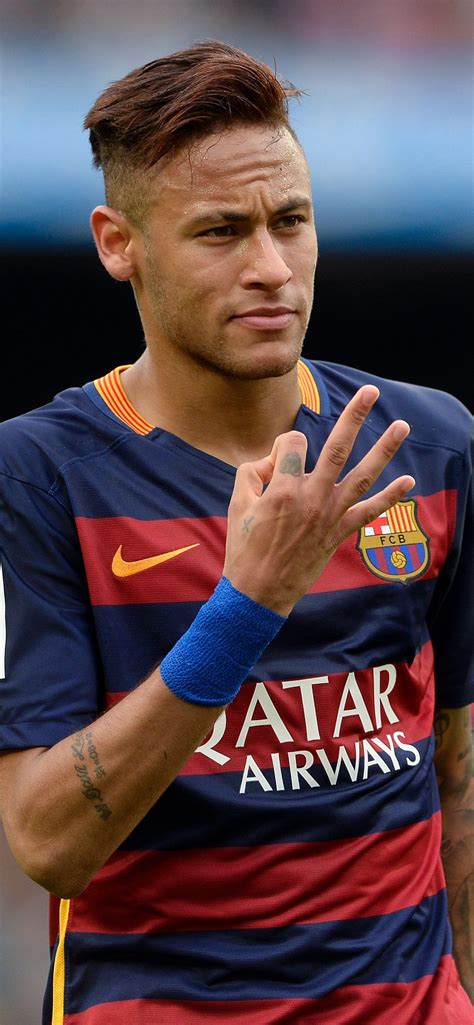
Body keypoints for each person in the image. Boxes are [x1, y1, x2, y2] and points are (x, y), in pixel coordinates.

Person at [0, 40, 472, 1025]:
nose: (270, 268)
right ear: (118, 243)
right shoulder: (40, 474)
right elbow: (49, 842)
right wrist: (247, 604)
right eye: (221, 231)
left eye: (290, 221)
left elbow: (459, 778)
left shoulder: (430, 447)